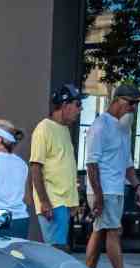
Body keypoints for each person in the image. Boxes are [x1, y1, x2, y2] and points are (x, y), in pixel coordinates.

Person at [84, 85, 140, 268]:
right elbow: (91, 164)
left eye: (137, 104)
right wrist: (99, 197)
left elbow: (127, 164)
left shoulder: (123, 128)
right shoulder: (100, 126)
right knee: (114, 232)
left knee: (99, 231)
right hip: (104, 190)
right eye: (131, 103)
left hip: (115, 189)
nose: (134, 108)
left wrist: (138, 186)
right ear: (118, 100)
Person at [30, 84, 86, 250]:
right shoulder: (44, 128)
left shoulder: (64, 129)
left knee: (59, 252)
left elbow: (64, 166)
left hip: (64, 202)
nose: (80, 109)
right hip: (53, 202)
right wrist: (44, 202)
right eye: (77, 104)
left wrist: (74, 200)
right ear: (64, 105)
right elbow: (35, 167)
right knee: (57, 252)